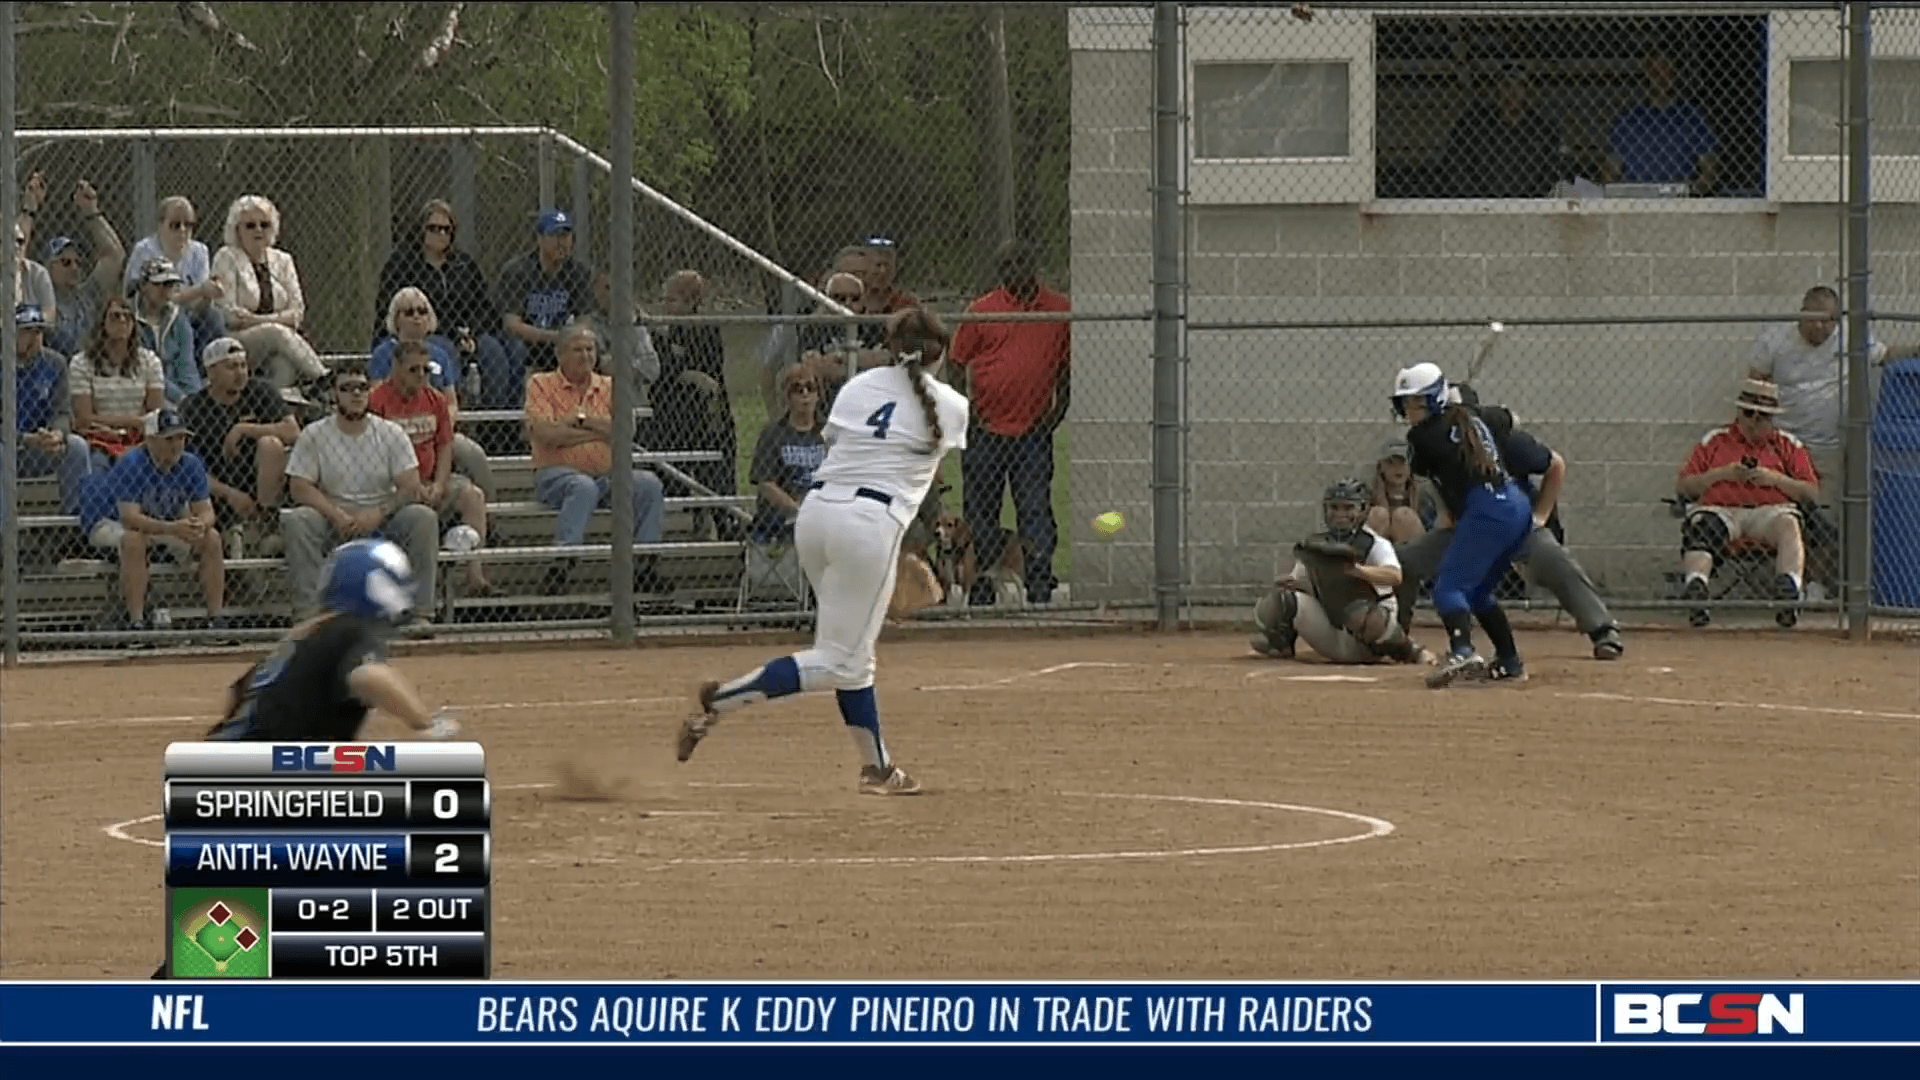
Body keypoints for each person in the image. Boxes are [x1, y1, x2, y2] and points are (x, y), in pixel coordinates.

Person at [676, 307, 970, 796]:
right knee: (837, 660)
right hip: (868, 526)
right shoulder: (952, 405)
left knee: (852, 661)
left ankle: (877, 770)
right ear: (941, 355)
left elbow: (851, 448)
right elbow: (915, 468)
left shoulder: (858, 386)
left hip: (816, 515)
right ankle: (720, 700)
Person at [201, 538, 462, 742]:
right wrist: (424, 722)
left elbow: (237, 693)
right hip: (254, 780)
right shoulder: (351, 630)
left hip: (220, 761)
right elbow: (369, 675)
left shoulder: (305, 635)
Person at [1391, 362, 1533, 687]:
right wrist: (1465, 408)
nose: (1411, 410)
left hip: (1486, 511)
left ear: (1435, 400)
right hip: (1515, 505)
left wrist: (1455, 410)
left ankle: (1462, 651)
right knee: (1480, 593)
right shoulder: (1473, 415)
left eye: (1419, 402)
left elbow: (1422, 464)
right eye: (1407, 403)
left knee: (1448, 587)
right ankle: (1510, 663)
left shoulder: (1421, 436)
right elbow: (1510, 418)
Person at [950, 240, 1071, 606]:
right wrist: (968, 409)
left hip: (1032, 431)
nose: (1015, 272)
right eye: (1007, 267)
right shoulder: (983, 310)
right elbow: (956, 362)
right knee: (981, 509)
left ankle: (1037, 583)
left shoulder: (1058, 310)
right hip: (986, 430)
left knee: (1034, 508)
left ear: (1033, 267)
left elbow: (1065, 369)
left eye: (1022, 264)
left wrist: (1056, 412)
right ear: (1000, 273)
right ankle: (984, 585)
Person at [282, 361, 438, 622]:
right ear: (334, 394)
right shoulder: (315, 434)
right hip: (333, 517)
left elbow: (410, 485)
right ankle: (308, 617)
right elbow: (299, 486)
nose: (356, 394)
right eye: (347, 388)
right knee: (298, 520)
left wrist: (379, 512)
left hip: (383, 515)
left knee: (423, 517)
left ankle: (421, 614)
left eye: (362, 388)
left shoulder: (390, 432)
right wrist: (336, 515)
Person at [523, 322, 668, 597]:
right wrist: (600, 432)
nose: (586, 356)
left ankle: (646, 563)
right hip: (555, 475)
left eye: (590, 349)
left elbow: (627, 431)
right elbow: (545, 433)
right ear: (561, 354)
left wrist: (580, 421)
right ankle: (562, 564)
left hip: (606, 477)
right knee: (581, 486)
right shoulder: (541, 384)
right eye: (577, 350)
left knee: (648, 484)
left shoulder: (609, 385)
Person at [1675, 378, 1820, 629]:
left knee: (1789, 525)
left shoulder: (1787, 444)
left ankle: (1789, 593)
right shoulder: (1715, 440)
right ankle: (1697, 591)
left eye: (1762, 415)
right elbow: (1684, 487)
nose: (1754, 421)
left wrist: (1774, 479)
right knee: (1703, 526)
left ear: (1772, 418)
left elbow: (1811, 493)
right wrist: (1722, 474)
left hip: (1769, 513)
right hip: (1721, 511)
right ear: (1739, 413)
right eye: (1748, 413)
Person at [1250, 478, 1432, 666]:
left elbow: (1395, 576)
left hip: (1368, 641)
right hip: (1332, 633)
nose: (1340, 514)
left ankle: (1411, 652)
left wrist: (1358, 572)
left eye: (1348, 508)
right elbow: (1300, 584)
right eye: (1334, 508)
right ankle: (1281, 646)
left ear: (1362, 509)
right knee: (1284, 598)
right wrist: (1289, 584)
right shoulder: (1318, 544)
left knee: (1359, 612)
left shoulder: (1374, 543)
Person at [89, 407, 229, 634]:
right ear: (151, 440)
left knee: (211, 537)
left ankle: (217, 619)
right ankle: (137, 621)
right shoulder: (132, 462)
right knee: (134, 540)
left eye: (181, 437)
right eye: (169, 439)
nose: (177, 445)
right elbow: (130, 518)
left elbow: (207, 512)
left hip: (162, 523)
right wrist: (173, 528)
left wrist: (198, 525)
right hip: (111, 523)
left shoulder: (190, 463)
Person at [369, 340, 493, 597]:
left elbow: (445, 446)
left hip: (431, 480)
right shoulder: (377, 401)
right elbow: (374, 456)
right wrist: (410, 486)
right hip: (394, 488)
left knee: (473, 496)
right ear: (396, 367)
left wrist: (439, 484)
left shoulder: (435, 400)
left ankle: (475, 579)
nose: (421, 376)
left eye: (426, 370)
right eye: (414, 370)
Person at [372, 198, 507, 409]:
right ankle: (455, 411)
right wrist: (450, 332)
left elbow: (483, 307)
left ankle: (496, 424)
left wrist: (472, 332)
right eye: (434, 228)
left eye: (446, 229)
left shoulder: (464, 264)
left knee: (493, 350)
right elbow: (390, 307)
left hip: (465, 332)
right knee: (443, 349)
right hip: (425, 333)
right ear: (421, 229)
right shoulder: (402, 263)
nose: (441, 234)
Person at [180, 337, 298, 549]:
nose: (240, 373)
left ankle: (263, 522)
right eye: (231, 367)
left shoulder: (261, 391)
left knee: (270, 443)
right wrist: (230, 494)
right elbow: (186, 466)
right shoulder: (192, 407)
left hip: (257, 483)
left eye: (243, 365)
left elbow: (293, 431)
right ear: (211, 372)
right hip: (215, 490)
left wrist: (244, 429)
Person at [651, 269, 738, 537]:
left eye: (673, 301)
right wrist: (685, 374)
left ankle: (725, 523)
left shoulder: (705, 329)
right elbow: (664, 372)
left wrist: (686, 373)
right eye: (665, 300)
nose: (666, 306)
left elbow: (708, 376)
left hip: (705, 413)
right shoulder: (660, 333)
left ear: (693, 303)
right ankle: (685, 519)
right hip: (672, 413)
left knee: (715, 470)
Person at [211, 195, 328, 392]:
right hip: (238, 340)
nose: (258, 230)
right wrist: (275, 322)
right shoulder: (226, 257)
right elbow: (229, 314)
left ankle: (275, 411)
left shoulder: (283, 260)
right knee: (275, 332)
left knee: (283, 365)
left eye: (264, 224)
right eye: (250, 225)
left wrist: (254, 320)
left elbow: (297, 313)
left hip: (280, 341)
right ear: (237, 230)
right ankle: (324, 378)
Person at [2, 304, 90, 537]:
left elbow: (62, 412)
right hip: (8, 447)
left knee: (77, 448)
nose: (34, 338)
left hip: (39, 449)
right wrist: (25, 439)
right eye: (27, 331)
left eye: (38, 332)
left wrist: (56, 434)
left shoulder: (55, 363)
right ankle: (4, 538)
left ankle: (73, 534)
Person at [23, 172, 126, 357]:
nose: (74, 268)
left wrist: (92, 212)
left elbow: (115, 255)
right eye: (65, 262)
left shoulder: (86, 294)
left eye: (77, 262)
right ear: (47, 267)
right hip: (53, 374)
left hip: (87, 370)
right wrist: (29, 209)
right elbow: (15, 253)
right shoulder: (39, 297)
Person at [496, 207, 593, 392]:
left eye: (566, 236)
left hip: (561, 341)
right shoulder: (518, 270)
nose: (561, 243)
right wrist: (554, 336)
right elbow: (512, 324)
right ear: (540, 239)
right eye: (554, 236)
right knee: (516, 350)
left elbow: (585, 320)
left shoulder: (577, 272)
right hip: (525, 342)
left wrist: (571, 337)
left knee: (585, 347)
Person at [1438, 65, 1567, 199]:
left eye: (1520, 85)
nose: (1512, 92)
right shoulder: (1472, 127)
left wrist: (1530, 203)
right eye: (1506, 85)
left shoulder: (1544, 130)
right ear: (1497, 90)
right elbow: (1455, 169)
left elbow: (1554, 173)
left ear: (1528, 91)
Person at [1604, 47, 1719, 194]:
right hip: (1636, 198)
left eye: (1666, 68)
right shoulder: (1629, 119)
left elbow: (1709, 167)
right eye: (1654, 70)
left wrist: (1693, 195)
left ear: (1675, 73)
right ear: (1646, 74)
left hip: (1678, 198)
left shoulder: (1691, 116)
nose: (1660, 76)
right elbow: (1610, 169)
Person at [70, 294, 165, 469]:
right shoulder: (81, 362)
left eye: (127, 316)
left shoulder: (150, 361)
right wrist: (135, 421)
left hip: (139, 439)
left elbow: (154, 415)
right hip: (98, 441)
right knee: (98, 466)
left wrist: (120, 424)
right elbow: (84, 419)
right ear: (102, 323)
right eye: (115, 315)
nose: (122, 320)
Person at [122, 195, 225, 353]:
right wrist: (200, 290)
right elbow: (153, 297)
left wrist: (210, 291)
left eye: (188, 225)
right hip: (153, 315)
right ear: (161, 225)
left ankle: (205, 372)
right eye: (175, 225)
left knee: (213, 317)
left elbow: (200, 299)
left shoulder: (200, 251)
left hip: (189, 313)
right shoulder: (145, 250)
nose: (183, 230)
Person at [131, 257, 200, 406]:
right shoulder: (129, 318)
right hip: (144, 390)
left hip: (178, 392)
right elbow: (147, 372)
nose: (166, 291)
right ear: (143, 285)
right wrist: (181, 399)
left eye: (170, 285)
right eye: (159, 284)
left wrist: (195, 400)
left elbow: (187, 366)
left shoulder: (178, 318)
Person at [1366, 439, 1435, 543]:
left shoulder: (1424, 497)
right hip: (1382, 553)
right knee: (1378, 514)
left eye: (1404, 462)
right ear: (1381, 466)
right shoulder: (1368, 496)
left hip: (1414, 550)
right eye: (1391, 463)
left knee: (1404, 515)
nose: (1398, 468)